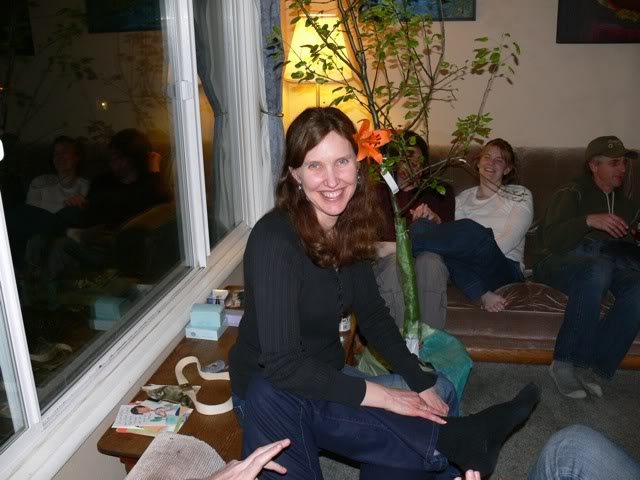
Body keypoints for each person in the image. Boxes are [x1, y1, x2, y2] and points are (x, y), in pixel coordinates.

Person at [228, 107, 541, 479]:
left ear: (358, 165)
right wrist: (386, 397)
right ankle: (456, 441)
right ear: (295, 174)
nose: (332, 180)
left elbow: (373, 314)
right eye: (315, 165)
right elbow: (283, 367)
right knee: (401, 409)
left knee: (438, 390)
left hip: (327, 374)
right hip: (272, 395)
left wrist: (417, 381)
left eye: (342, 161)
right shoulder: (274, 240)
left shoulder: (349, 227)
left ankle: (446, 443)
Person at [533, 135, 640, 399]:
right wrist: (588, 221)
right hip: (557, 261)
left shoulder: (628, 206)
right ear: (594, 165)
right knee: (598, 268)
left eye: (623, 163)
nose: (622, 169)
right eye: (614, 163)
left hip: (609, 264)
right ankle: (564, 362)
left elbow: (626, 254)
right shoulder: (571, 193)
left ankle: (593, 366)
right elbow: (551, 240)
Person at [406, 138, 533, 312]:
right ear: (478, 162)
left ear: (507, 169)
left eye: (499, 160)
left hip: (503, 267)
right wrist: (436, 221)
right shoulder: (461, 199)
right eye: (487, 157)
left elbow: (510, 239)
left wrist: (471, 250)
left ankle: (401, 247)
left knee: (471, 230)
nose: (491, 163)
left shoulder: (520, 195)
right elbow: (452, 238)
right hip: (465, 267)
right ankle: (480, 292)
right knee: (421, 225)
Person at [375, 130, 455, 329]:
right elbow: (365, 243)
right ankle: (398, 341)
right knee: (394, 263)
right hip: (387, 259)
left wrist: (436, 221)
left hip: (427, 256)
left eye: (418, 160)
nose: (412, 165)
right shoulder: (377, 192)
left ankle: (429, 339)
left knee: (431, 262)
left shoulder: (439, 192)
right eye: (405, 159)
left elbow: (450, 243)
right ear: (394, 161)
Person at [6, 136, 89, 272]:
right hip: (36, 230)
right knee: (15, 215)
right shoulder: (40, 182)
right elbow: (29, 213)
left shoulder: (85, 186)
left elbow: (82, 215)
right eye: (56, 154)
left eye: (64, 152)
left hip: (60, 233)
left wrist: (82, 204)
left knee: (71, 212)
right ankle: (67, 231)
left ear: (77, 157)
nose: (59, 157)